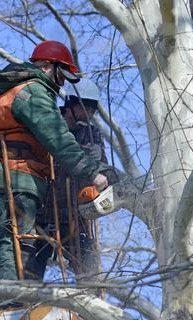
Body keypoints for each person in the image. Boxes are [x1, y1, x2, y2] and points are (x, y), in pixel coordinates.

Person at [0, 41, 108, 309]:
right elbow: (58, 139)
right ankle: (7, 303)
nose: (61, 84)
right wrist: (92, 172)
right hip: (19, 177)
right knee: (15, 240)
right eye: (60, 75)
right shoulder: (35, 91)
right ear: (47, 66)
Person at [27, 78, 119, 282]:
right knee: (29, 272)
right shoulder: (49, 124)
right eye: (86, 108)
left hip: (74, 214)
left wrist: (112, 179)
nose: (90, 113)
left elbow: (99, 165)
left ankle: (91, 306)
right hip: (41, 211)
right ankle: (21, 307)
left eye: (93, 109)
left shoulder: (91, 134)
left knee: (89, 269)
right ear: (71, 105)